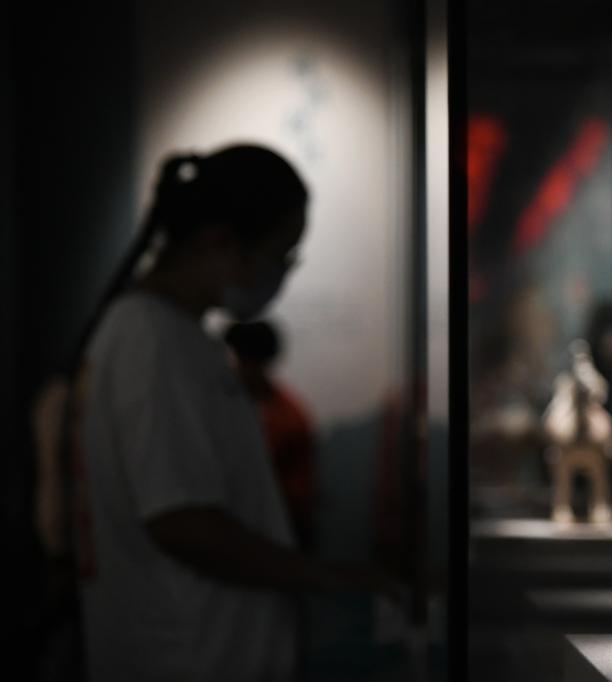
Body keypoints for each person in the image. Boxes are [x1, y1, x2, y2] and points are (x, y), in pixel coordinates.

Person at [69, 144, 387, 681]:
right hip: (187, 658)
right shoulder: (152, 340)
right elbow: (181, 522)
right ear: (219, 241)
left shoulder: (176, 337)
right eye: (280, 254)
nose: (281, 273)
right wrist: (322, 576)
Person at [224, 320, 315, 550]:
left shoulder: (289, 417)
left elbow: (298, 492)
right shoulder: (220, 402)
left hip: (270, 529)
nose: (242, 366)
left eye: (248, 359)